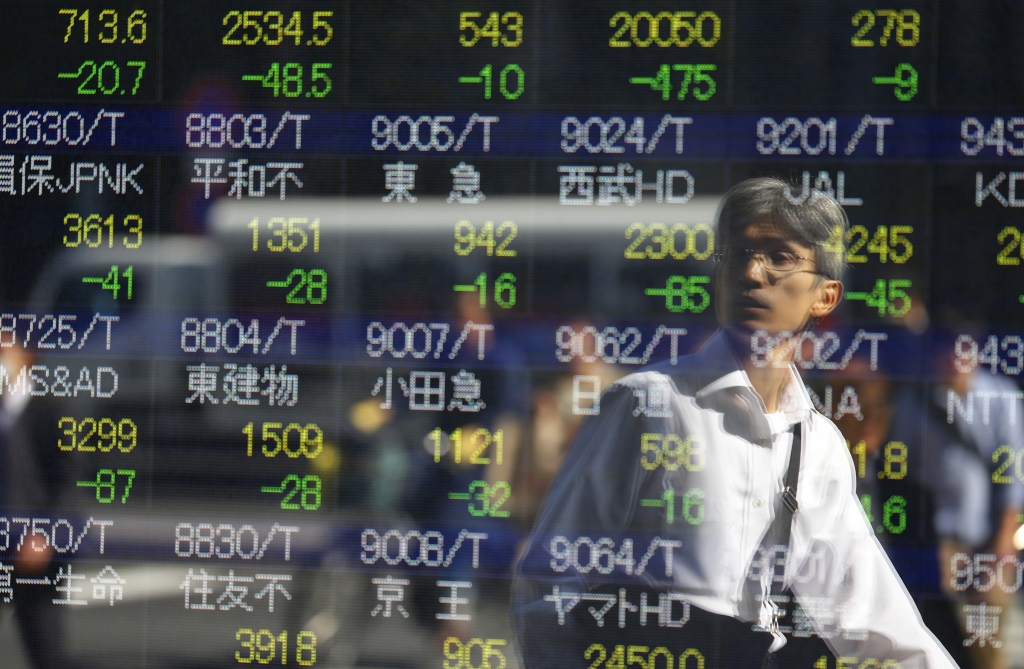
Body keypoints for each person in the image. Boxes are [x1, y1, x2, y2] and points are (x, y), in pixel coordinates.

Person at [511, 177, 958, 669]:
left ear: (825, 296)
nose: (751, 272)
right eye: (737, 254)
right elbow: (549, 580)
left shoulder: (816, 442)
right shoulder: (651, 403)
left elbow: (876, 622)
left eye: (780, 257)